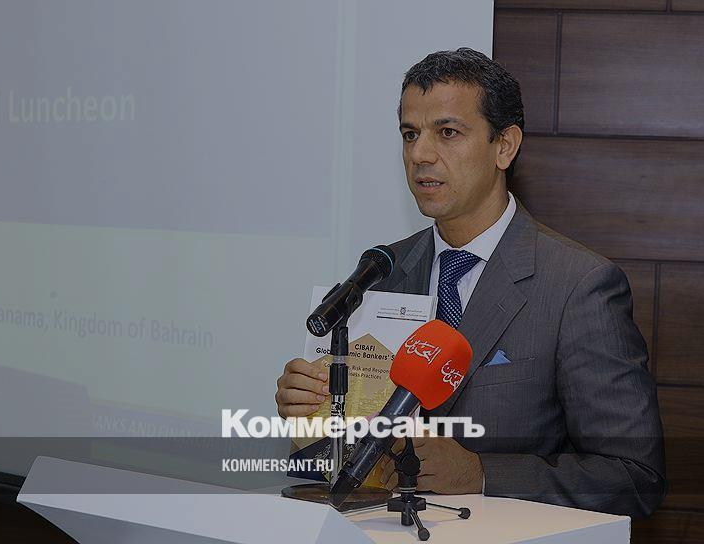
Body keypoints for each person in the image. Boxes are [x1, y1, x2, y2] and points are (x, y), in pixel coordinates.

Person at [275, 48, 666, 518]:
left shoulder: (578, 287)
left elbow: (634, 479)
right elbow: (347, 462)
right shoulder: (382, 272)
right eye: (410, 134)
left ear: (505, 146)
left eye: (448, 133)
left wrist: (480, 474)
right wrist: (317, 416)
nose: (420, 154)